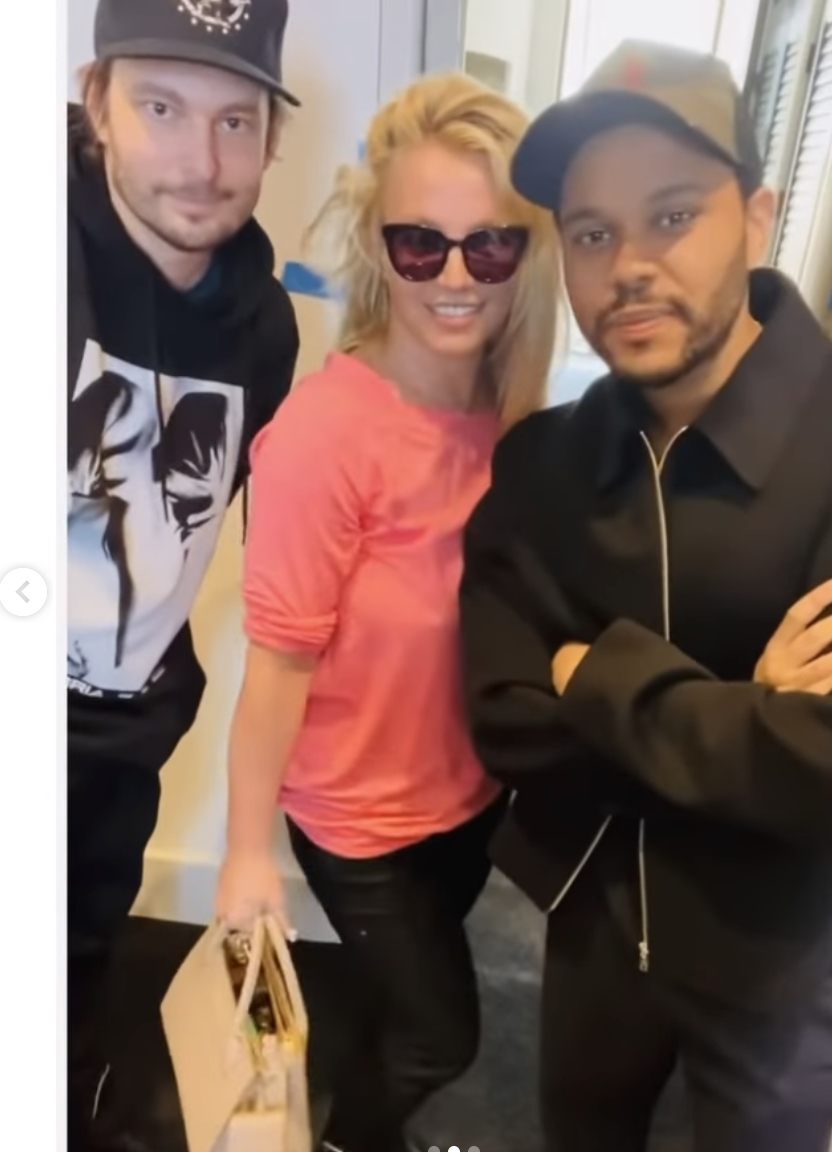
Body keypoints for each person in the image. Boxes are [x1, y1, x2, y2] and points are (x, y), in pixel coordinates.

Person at [459, 40, 832, 1152]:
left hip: (787, 953)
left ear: (755, 217)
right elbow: (504, 717)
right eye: (591, 233)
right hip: (593, 921)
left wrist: (594, 674)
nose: (627, 265)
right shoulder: (544, 465)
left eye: (672, 216)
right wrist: (747, 713)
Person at [214, 71, 559, 1152]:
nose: (454, 277)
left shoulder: (509, 415)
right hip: (358, 820)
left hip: (464, 796)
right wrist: (243, 854)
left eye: (489, 247)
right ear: (378, 246)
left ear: (526, 255)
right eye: (421, 244)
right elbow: (277, 665)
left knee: (391, 1006)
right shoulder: (326, 437)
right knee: (440, 1038)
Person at [67, 0, 301, 1147]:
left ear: (270, 138)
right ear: (97, 101)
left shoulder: (266, 332)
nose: (202, 164)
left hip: (125, 740)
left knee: (76, 971)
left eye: (235, 121)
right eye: (161, 107)